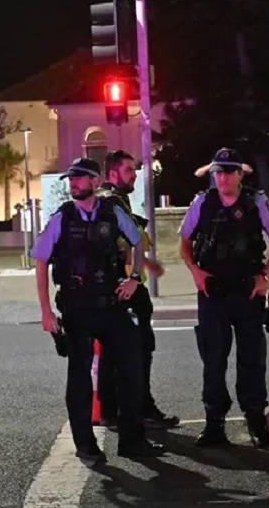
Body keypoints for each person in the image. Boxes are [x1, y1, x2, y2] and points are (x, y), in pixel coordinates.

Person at [31, 157, 163, 465]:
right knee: (79, 376)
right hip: (77, 306)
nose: (73, 183)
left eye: (79, 178)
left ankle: (132, 440)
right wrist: (46, 312)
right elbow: (40, 261)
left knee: (132, 364)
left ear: (94, 181)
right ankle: (86, 446)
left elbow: (137, 242)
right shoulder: (62, 218)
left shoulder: (112, 211)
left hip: (110, 303)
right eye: (71, 179)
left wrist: (134, 278)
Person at [179, 148, 269, 448]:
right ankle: (214, 422)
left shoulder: (255, 203)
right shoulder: (203, 203)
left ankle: (255, 419)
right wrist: (195, 272)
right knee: (213, 359)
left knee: (251, 359)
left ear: (240, 174)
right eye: (218, 172)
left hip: (246, 290)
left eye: (228, 172)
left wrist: (265, 275)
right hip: (212, 291)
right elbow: (184, 242)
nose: (222, 178)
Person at [95, 150, 180, 430]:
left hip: (115, 287)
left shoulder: (108, 199)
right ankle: (140, 408)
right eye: (129, 170)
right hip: (126, 288)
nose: (134, 175)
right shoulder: (113, 202)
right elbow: (125, 244)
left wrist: (148, 264)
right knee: (138, 350)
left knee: (113, 351)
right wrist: (138, 273)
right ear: (113, 173)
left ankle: (111, 411)